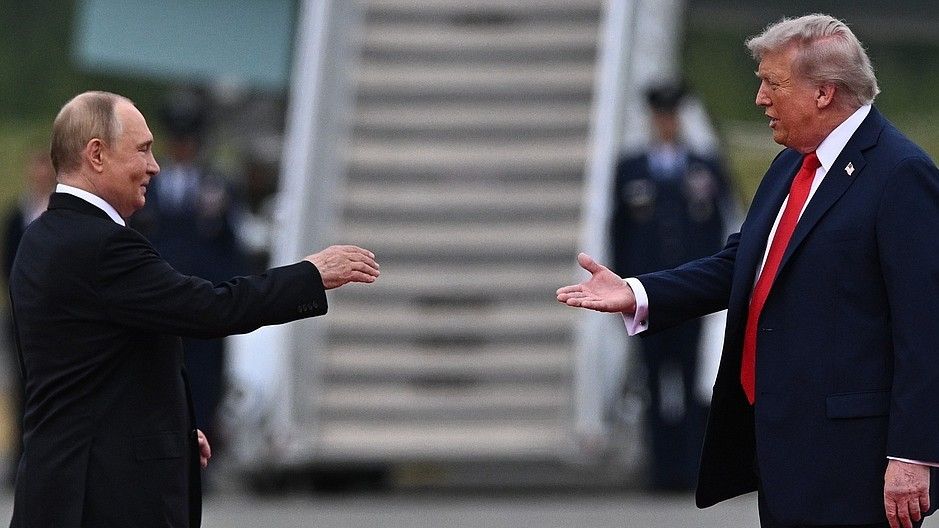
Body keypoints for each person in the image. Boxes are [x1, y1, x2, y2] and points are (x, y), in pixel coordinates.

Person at [558, 14, 938, 528]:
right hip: (783, 445)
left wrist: (913, 455)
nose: (760, 99)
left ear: (824, 92)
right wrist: (639, 291)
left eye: (773, 84)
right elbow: (740, 264)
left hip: (852, 457)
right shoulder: (791, 164)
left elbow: (926, 326)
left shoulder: (900, 174)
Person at [8, 91, 380, 527]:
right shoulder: (104, 246)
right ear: (97, 155)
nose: (154, 166)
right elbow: (210, 308)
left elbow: (89, 371)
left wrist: (171, 433)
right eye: (142, 150)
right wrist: (311, 275)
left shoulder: (40, 237)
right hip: (101, 501)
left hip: (57, 488)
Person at [610, 81, 728, 492]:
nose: (666, 124)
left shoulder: (703, 167)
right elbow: (619, 235)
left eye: (671, 116)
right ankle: (660, 469)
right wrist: (623, 292)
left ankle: (692, 466)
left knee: (691, 376)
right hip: (646, 295)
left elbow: (717, 230)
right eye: (660, 116)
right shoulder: (632, 169)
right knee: (653, 379)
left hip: (690, 295)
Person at [132, 90, 249, 456]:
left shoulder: (218, 187)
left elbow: (232, 248)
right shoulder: (148, 184)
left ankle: (202, 456)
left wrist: (228, 298)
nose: (182, 146)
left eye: (189, 138)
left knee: (203, 383)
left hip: (203, 304)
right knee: (154, 380)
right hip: (158, 303)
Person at [1, 151, 56, 484]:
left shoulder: (57, 214)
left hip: (55, 315)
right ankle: (21, 454)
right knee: (20, 384)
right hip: (22, 312)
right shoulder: (17, 215)